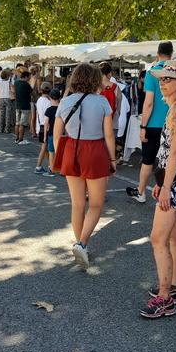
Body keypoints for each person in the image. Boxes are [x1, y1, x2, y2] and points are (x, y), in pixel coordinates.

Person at [139, 61, 176, 319]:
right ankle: (171, 288)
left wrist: (165, 187)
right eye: (161, 79)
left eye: (168, 79)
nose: (162, 83)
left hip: (175, 182)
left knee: (158, 239)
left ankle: (164, 298)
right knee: (174, 238)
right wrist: (162, 182)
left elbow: (174, 153)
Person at [54, 63, 115, 270]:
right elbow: (108, 135)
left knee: (77, 204)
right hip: (94, 150)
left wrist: (61, 156)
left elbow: (56, 135)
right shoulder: (102, 101)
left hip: (71, 150)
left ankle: (80, 245)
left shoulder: (65, 101)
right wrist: (112, 159)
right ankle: (81, 244)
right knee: (96, 204)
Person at [126, 41, 173, 203]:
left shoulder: (152, 73)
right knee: (170, 160)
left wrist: (143, 126)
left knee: (148, 160)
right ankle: (169, 193)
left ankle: (141, 192)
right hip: (172, 122)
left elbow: (148, 103)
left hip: (153, 124)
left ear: (157, 54)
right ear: (171, 54)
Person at [42, 88, 61, 175]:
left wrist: (44, 136)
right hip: (60, 134)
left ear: (50, 98)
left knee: (51, 152)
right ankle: (61, 169)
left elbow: (46, 124)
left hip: (50, 134)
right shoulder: (61, 109)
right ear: (59, 98)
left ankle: (52, 169)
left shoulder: (49, 110)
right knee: (59, 152)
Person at [35, 83, 52, 173]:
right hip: (46, 126)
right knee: (45, 148)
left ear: (41, 90)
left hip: (40, 125)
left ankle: (50, 165)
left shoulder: (39, 100)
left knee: (45, 148)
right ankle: (38, 166)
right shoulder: (49, 102)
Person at [14, 70, 32, 145]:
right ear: (26, 77)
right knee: (22, 124)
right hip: (25, 106)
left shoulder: (16, 83)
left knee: (17, 123)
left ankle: (16, 138)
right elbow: (32, 92)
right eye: (29, 77)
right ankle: (21, 139)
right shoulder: (26, 84)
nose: (29, 78)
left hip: (17, 105)